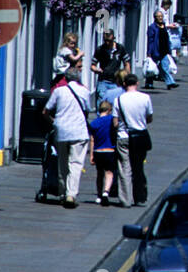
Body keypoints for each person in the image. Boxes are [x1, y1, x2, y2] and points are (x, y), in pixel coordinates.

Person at [42, 64, 92, 208]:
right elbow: (88, 109)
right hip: (79, 130)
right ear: (79, 78)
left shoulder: (59, 91)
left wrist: (53, 122)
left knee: (62, 162)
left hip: (62, 129)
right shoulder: (84, 91)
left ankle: (63, 192)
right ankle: (71, 194)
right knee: (75, 164)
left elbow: (46, 110)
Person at [112, 73, 154, 207]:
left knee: (125, 168)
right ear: (136, 83)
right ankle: (139, 195)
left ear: (124, 84)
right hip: (140, 137)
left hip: (124, 136)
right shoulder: (145, 98)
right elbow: (149, 118)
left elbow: (115, 123)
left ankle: (125, 199)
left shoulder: (118, 100)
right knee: (138, 166)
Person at [88, 99, 117, 206]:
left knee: (99, 174)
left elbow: (92, 140)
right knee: (109, 172)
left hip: (98, 151)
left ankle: (99, 196)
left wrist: (91, 155)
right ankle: (106, 192)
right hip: (109, 150)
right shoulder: (111, 120)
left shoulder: (94, 123)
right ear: (109, 110)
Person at [90, 30, 130, 105]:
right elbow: (92, 65)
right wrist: (97, 70)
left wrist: (126, 77)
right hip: (103, 81)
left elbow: (126, 63)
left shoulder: (120, 48)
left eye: (109, 40)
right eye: (105, 40)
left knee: (116, 103)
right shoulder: (100, 49)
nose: (107, 43)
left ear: (113, 38)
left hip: (116, 82)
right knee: (101, 103)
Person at [147, 10, 177, 88]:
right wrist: (149, 51)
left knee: (165, 67)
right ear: (155, 17)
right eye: (158, 16)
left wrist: (169, 49)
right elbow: (150, 40)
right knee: (152, 67)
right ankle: (149, 83)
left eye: (161, 16)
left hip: (164, 50)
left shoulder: (164, 26)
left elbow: (167, 38)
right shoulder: (152, 27)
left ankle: (170, 82)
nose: (160, 18)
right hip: (155, 50)